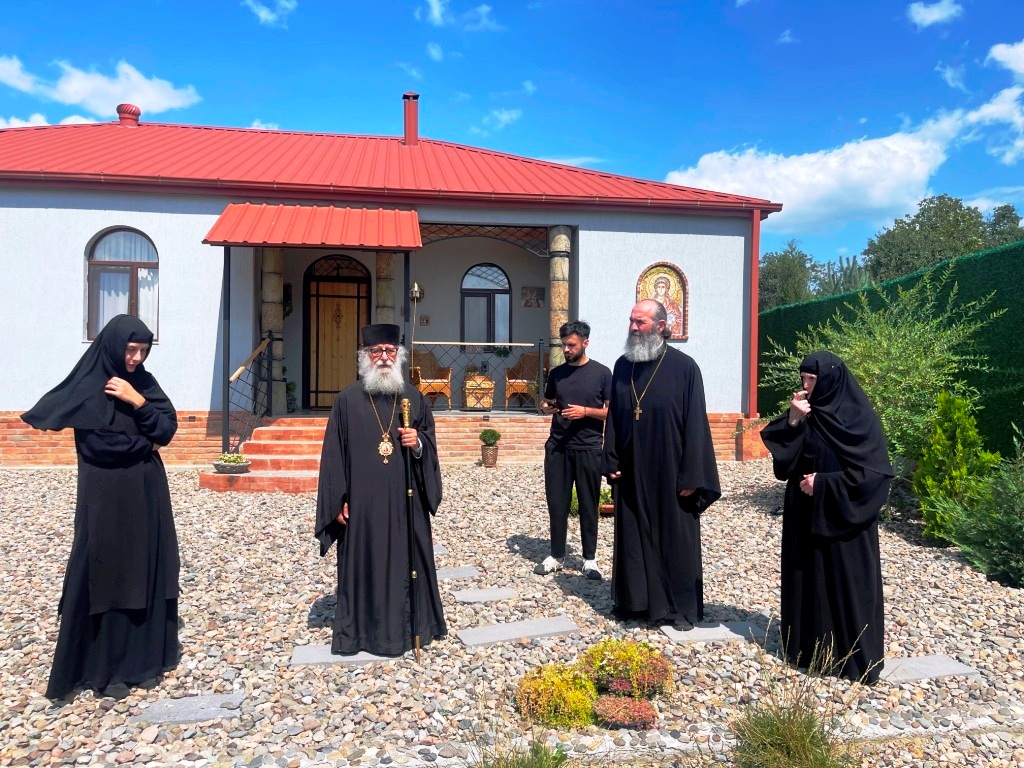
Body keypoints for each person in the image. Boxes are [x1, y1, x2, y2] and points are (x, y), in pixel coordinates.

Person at [22, 315, 180, 700]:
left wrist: (137, 401)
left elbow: (167, 429)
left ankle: (143, 661)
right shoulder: (90, 387)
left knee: (146, 568)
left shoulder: (143, 384)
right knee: (109, 575)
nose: (136, 358)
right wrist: (147, 444)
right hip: (107, 498)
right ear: (112, 345)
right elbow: (102, 448)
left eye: (143, 351)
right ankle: (104, 669)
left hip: (147, 496)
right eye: (130, 349)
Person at [760, 351, 892, 683]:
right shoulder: (806, 413)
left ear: (831, 380)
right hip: (804, 516)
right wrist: (793, 421)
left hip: (843, 519)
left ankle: (854, 659)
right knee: (807, 578)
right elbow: (784, 466)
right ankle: (809, 650)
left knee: (845, 583)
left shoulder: (859, 419)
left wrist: (824, 483)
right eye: (803, 378)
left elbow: (874, 476)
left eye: (812, 380)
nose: (805, 386)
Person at [315, 323, 447, 656]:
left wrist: (418, 442)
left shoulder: (413, 398)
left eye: (390, 350)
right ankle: (364, 632)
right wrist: (338, 501)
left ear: (399, 355)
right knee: (366, 561)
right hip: (363, 504)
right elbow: (333, 456)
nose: (384, 357)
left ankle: (410, 628)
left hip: (405, 504)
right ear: (365, 356)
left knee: (407, 560)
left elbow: (429, 446)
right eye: (376, 351)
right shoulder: (346, 401)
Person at [604, 300, 721, 630]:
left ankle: (677, 608)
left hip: (671, 469)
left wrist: (693, 474)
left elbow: (696, 424)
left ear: (659, 326)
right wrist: (610, 456)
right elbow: (615, 416)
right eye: (631, 321)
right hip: (631, 467)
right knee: (632, 536)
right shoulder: (623, 365)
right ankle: (636, 603)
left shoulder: (685, 368)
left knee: (675, 539)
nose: (633, 327)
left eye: (640, 322)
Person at [535, 321, 612, 580]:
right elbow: (547, 402)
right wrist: (546, 408)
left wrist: (586, 411)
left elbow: (612, 412)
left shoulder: (602, 373)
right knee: (557, 504)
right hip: (558, 447)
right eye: (564, 345)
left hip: (589, 447)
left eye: (571, 345)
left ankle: (590, 559)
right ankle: (557, 555)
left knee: (589, 504)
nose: (566, 349)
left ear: (585, 343)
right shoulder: (557, 373)